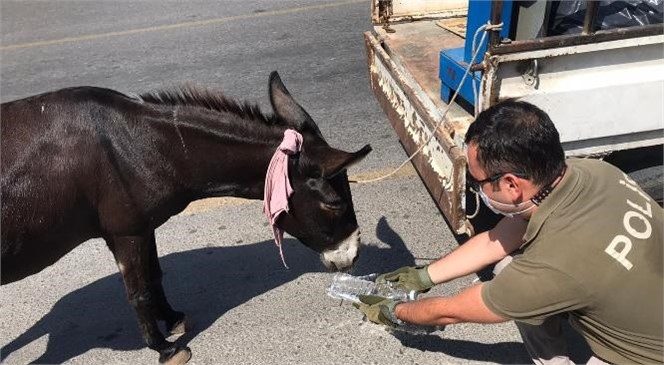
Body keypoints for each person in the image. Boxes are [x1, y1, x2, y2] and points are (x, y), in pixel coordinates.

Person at [354, 100, 663, 364]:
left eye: (478, 183)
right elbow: (502, 238)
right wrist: (423, 276)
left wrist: (396, 311)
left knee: (516, 282)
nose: (477, 189)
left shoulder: (553, 268)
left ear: (512, 185)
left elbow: (450, 312)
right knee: (507, 267)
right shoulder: (592, 171)